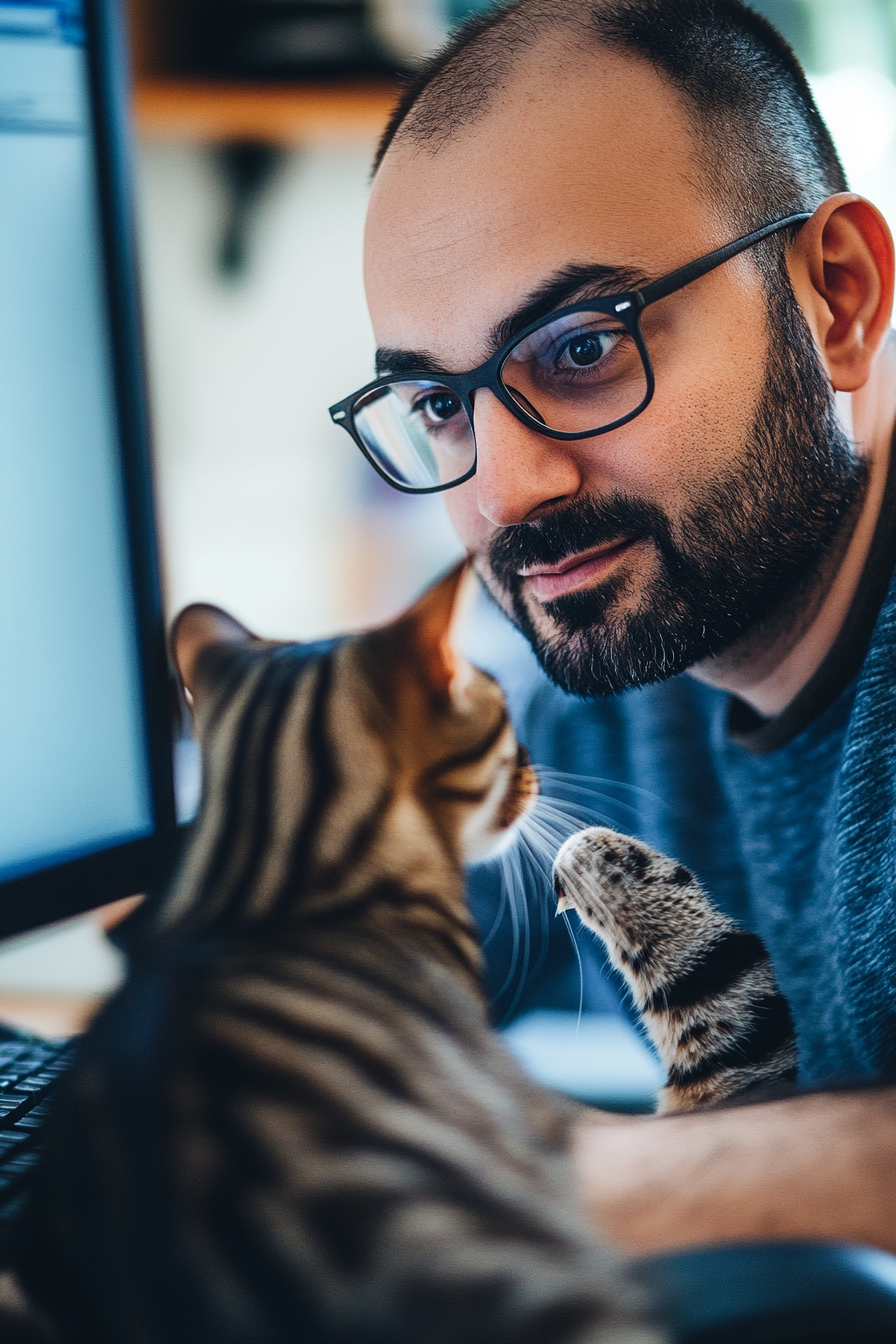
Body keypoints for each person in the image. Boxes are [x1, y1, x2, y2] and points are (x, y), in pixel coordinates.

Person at [330, 0, 896, 1259]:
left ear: (837, 299)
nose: (502, 489)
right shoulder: (624, 646)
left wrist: (553, 1187)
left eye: (582, 347)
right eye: (438, 402)